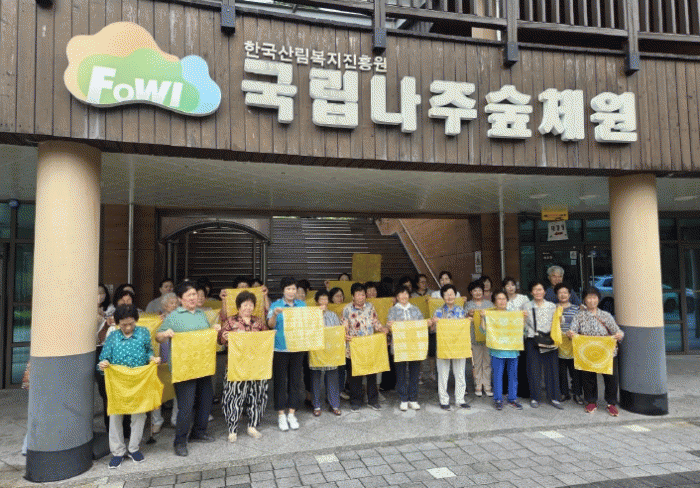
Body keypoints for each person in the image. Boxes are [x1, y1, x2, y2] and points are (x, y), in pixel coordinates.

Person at [156, 281, 220, 456]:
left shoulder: (201, 314)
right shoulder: (174, 316)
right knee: (186, 406)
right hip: (183, 368)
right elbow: (158, 337)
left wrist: (213, 329)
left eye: (194, 294)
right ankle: (180, 441)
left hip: (202, 366)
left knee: (206, 400)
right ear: (180, 299)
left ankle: (198, 432)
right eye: (189, 295)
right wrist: (165, 334)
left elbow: (206, 336)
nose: (193, 298)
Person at [98, 304, 160, 468]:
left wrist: (152, 358)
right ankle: (118, 452)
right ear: (117, 323)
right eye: (123, 324)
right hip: (118, 382)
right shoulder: (113, 336)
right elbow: (104, 357)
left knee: (139, 415)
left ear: (136, 321)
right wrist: (103, 364)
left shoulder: (143, 333)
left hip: (139, 381)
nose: (127, 327)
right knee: (115, 416)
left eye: (131, 324)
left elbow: (149, 351)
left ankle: (134, 448)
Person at [218, 291, 270, 441]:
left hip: (256, 365)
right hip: (236, 365)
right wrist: (224, 337)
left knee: (257, 395)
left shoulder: (258, 322)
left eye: (251, 304)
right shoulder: (230, 322)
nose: (248, 307)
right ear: (239, 306)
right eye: (245, 304)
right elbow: (220, 340)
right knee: (233, 396)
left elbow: (266, 338)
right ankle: (232, 429)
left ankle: (252, 426)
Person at [568, 287, 624, 416]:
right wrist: (570, 334)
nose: (592, 300)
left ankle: (611, 403)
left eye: (594, 297)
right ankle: (591, 401)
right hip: (587, 352)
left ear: (598, 299)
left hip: (607, 352)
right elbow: (572, 331)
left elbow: (617, 331)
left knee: (611, 378)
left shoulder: (606, 315)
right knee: (588, 378)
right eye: (589, 298)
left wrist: (619, 335)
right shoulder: (579, 316)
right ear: (584, 300)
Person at [267, 277, 306, 431]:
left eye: (293, 289)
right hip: (280, 349)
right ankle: (281, 415)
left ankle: (292, 413)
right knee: (280, 382)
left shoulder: (302, 305)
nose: (291, 291)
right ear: (283, 290)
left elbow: (309, 324)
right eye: (288, 289)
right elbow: (270, 325)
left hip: (297, 348)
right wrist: (275, 314)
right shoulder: (275, 305)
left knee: (295, 382)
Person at [343, 283, 388, 411]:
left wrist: (382, 328)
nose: (361, 297)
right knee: (355, 376)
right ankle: (356, 401)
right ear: (353, 296)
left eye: (363, 294)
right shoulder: (347, 309)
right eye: (358, 294)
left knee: (371, 374)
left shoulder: (370, 307)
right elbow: (344, 326)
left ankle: (373, 401)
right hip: (354, 347)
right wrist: (344, 335)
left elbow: (375, 321)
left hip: (369, 346)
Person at [523, 281, 563, 410]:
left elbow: (558, 323)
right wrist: (523, 319)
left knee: (552, 369)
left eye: (540, 289)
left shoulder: (552, 306)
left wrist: (560, 319)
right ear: (531, 292)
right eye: (535, 289)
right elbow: (522, 325)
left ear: (545, 292)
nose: (538, 292)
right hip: (532, 339)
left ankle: (554, 397)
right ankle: (535, 397)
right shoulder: (526, 306)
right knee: (533, 369)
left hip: (549, 340)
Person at [429, 284, 470, 410]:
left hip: (459, 345)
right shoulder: (438, 311)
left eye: (452, 294)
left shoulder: (461, 310)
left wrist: (468, 320)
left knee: (460, 373)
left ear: (455, 295)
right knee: (443, 374)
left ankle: (460, 399)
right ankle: (444, 400)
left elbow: (465, 327)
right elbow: (432, 330)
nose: (449, 296)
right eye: (446, 294)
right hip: (443, 346)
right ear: (443, 297)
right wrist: (433, 323)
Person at [482, 290, 522, 411]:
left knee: (513, 375)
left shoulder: (513, 314)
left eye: (504, 298)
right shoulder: (491, 314)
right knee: (498, 376)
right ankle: (498, 399)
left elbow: (521, 329)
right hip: (497, 350)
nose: (502, 301)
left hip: (512, 350)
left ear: (507, 301)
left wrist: (523, 318)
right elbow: (484, 330)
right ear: (494, 302)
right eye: (499, 299)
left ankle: (512, 398)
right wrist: (483, 318)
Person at [387, 286, 423, 411]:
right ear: (397, 297)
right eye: (401, 294)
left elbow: (421, 324)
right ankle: (403, 399)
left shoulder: (416, 309)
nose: (403, 296)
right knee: (401, 373)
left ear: (409, 295)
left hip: (414, 345)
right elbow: (390, 328)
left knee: (414, 373)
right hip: (399, 346)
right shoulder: (392, 310)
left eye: (406, 293)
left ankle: (413, 399)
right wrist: (390, 326)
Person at [310, 290, 343, 416]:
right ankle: (316, 405)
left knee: (332, 377)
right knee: (315, 378)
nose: (324, 301)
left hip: (331, 350)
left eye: (325, 299)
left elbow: (337, 331)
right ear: (316, 301)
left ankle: (334, 404)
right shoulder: (312, 315)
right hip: (316, 351)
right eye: (321, 299)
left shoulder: (333, 315)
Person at [554, 283, 583, 405]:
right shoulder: (553, 308)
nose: (563, 295)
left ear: (570, 295)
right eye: (560, 293)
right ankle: (564, 393)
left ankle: (577, 393)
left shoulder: (577, 309)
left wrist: (574, 333)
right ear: (556, 295)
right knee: (561, 372)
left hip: (573, 344)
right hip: (558, 344)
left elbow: (581, 325)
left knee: (575, 371)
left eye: (565, 292)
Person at [465, 281, 493, 397]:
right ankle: (478, 385)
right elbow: (463, 319)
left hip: (488, 337)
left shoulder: (489, 304)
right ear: (471, 292)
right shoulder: (467, 305)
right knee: (476, 363)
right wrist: (469, 314)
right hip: (474, 337)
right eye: (475, 290)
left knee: (487, 362)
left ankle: (487, 385)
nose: (478, 292)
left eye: (480, 290)